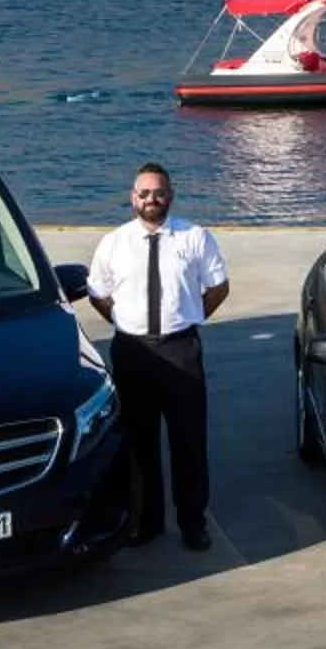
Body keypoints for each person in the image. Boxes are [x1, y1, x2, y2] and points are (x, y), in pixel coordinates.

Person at [86, 163, 230, 550]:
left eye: (159, 192)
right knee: (137, 440)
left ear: (171, 195)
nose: (152, 199)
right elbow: (98, 292)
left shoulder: (195, 238)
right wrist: (122, 321)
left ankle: (192, 521)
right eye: (144, 193)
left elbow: (218, 287)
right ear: (133, 198)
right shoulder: (114, 242)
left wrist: (191, 317)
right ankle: (144, 520)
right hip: (132, 352)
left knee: (188, 440)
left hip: (180, 349)